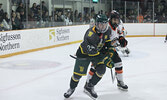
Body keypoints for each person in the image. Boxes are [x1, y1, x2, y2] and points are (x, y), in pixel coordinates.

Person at [64, 14, 115, 100]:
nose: (103, 27)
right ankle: (71, 88)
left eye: (105, 24)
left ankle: (89, 86)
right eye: (101, 24)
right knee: (77, 75)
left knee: (101, 69)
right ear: (96, 24)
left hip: (96, 53)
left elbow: (107, 42)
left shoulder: (108, 30)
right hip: (84, 54)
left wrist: (110, 50)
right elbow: (92, 52)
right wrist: (105, 59)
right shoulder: (90, 34)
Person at [86, 10, 128, 91]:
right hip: (101, 49)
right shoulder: (105, 26)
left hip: (111, 49)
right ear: (110, 19)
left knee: (118, 63)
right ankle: (88, 83)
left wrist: (122, 39)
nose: (116, 21)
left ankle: (120, 82)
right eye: (114, 19)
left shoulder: (119, 25)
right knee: (95, 66)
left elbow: (120, 33)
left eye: (117, 20)